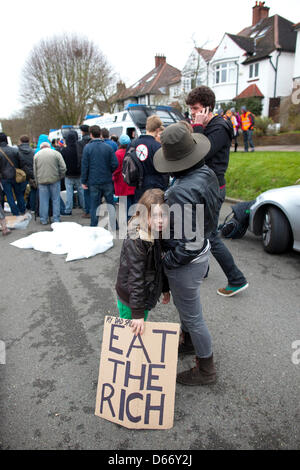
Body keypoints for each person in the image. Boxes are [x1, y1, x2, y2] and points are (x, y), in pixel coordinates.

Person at [153, 122, 220, 385]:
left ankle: (206, 370)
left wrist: (167, 261)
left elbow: (187, 242)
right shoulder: (206, 173)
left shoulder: (181, 191)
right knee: (188, 308)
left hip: (187, 259)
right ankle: (190, 341)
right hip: (201, 251)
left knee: (193, 314)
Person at [186, 86, 248, 296]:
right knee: (201, 232)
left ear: (207, 108)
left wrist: (197, 127)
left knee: (211, 235)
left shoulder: (219, 127)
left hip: (213, 188)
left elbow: (198, 154)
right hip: (206, 186)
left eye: (195, 108)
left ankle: (236, 279)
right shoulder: (210, 125)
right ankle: (203, 268)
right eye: (191, 109)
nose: (193, 112)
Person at [115, 188, 170, 336]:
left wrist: (164, 288)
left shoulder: (154, 232)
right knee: (130, 334)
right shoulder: (137, 240)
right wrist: (137, 313)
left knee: (138, 331)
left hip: (141, 296)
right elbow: (136, 277)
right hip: (131, 299)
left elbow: (158, 265)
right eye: (155, 215)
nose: (160, 220)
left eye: (163, 215)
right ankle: (127, 358)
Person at [81, 125, 118, 228]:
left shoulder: (87, 148)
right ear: (100, 134)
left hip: (93, 181)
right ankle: (114, 224)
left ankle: (94, 225)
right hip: (107, 180)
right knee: (111, 204)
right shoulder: (108, 147)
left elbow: (85, 166)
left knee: (94, 205)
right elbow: (115, 164)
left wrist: (84, 181)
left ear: (91, 134)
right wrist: (108, 171)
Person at [132, 115, 168, 202]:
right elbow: (164, 169)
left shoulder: (133, 144)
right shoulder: (157, 146)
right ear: (157, 129)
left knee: (140, 212)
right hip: (156, 186)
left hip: (138, 185)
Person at [34, 142, 66, 224]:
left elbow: (35, 171)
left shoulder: (37, 155)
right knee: (56, 199)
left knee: (43, 201)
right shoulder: (56, 153)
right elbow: (63, 167)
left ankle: (43, 219)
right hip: (55, 179)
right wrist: (60, 177)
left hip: (42, 181)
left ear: (41, 147)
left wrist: (37, 182)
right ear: (49, 146)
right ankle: (56, 219)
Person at [0, 132, 26, 216]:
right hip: (16, 176)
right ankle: (22, 210)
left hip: (4, 177)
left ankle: (15, 212)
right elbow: (22, 162)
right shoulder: (15, 150)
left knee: (9, 195)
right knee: (19, 194)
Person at [61, 130, 85, 215]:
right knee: (81, 192)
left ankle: (68, 209)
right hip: (79, 173)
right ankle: (84, 208)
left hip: (68, 174)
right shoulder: (80, 148)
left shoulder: (64, 150)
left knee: (69, 192)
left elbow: (62, 162)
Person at [112, 134, 136, 221]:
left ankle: (128, 225)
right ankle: (134, 223)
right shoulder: (133, 152)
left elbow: (116, 169)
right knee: (133, 205)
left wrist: (113, 178)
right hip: (132, 182)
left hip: (121, 183)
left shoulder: (117, 153)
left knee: (125, 206)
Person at [18, 135, 36, 211]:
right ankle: (33, 207)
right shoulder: (33, 151)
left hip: (22, 174)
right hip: (32, 173)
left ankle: (22, 208)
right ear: (28, 141)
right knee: (33, 190)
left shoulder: (17, 151)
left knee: (20, 192)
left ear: (21, 141)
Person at [77, 125, 91, 219]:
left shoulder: (80, 143)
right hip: (94, 169)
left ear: (82, 132)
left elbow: (80, 158)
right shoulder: (91, 141)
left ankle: (87, 211)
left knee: (86, 191)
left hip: (85, 169)